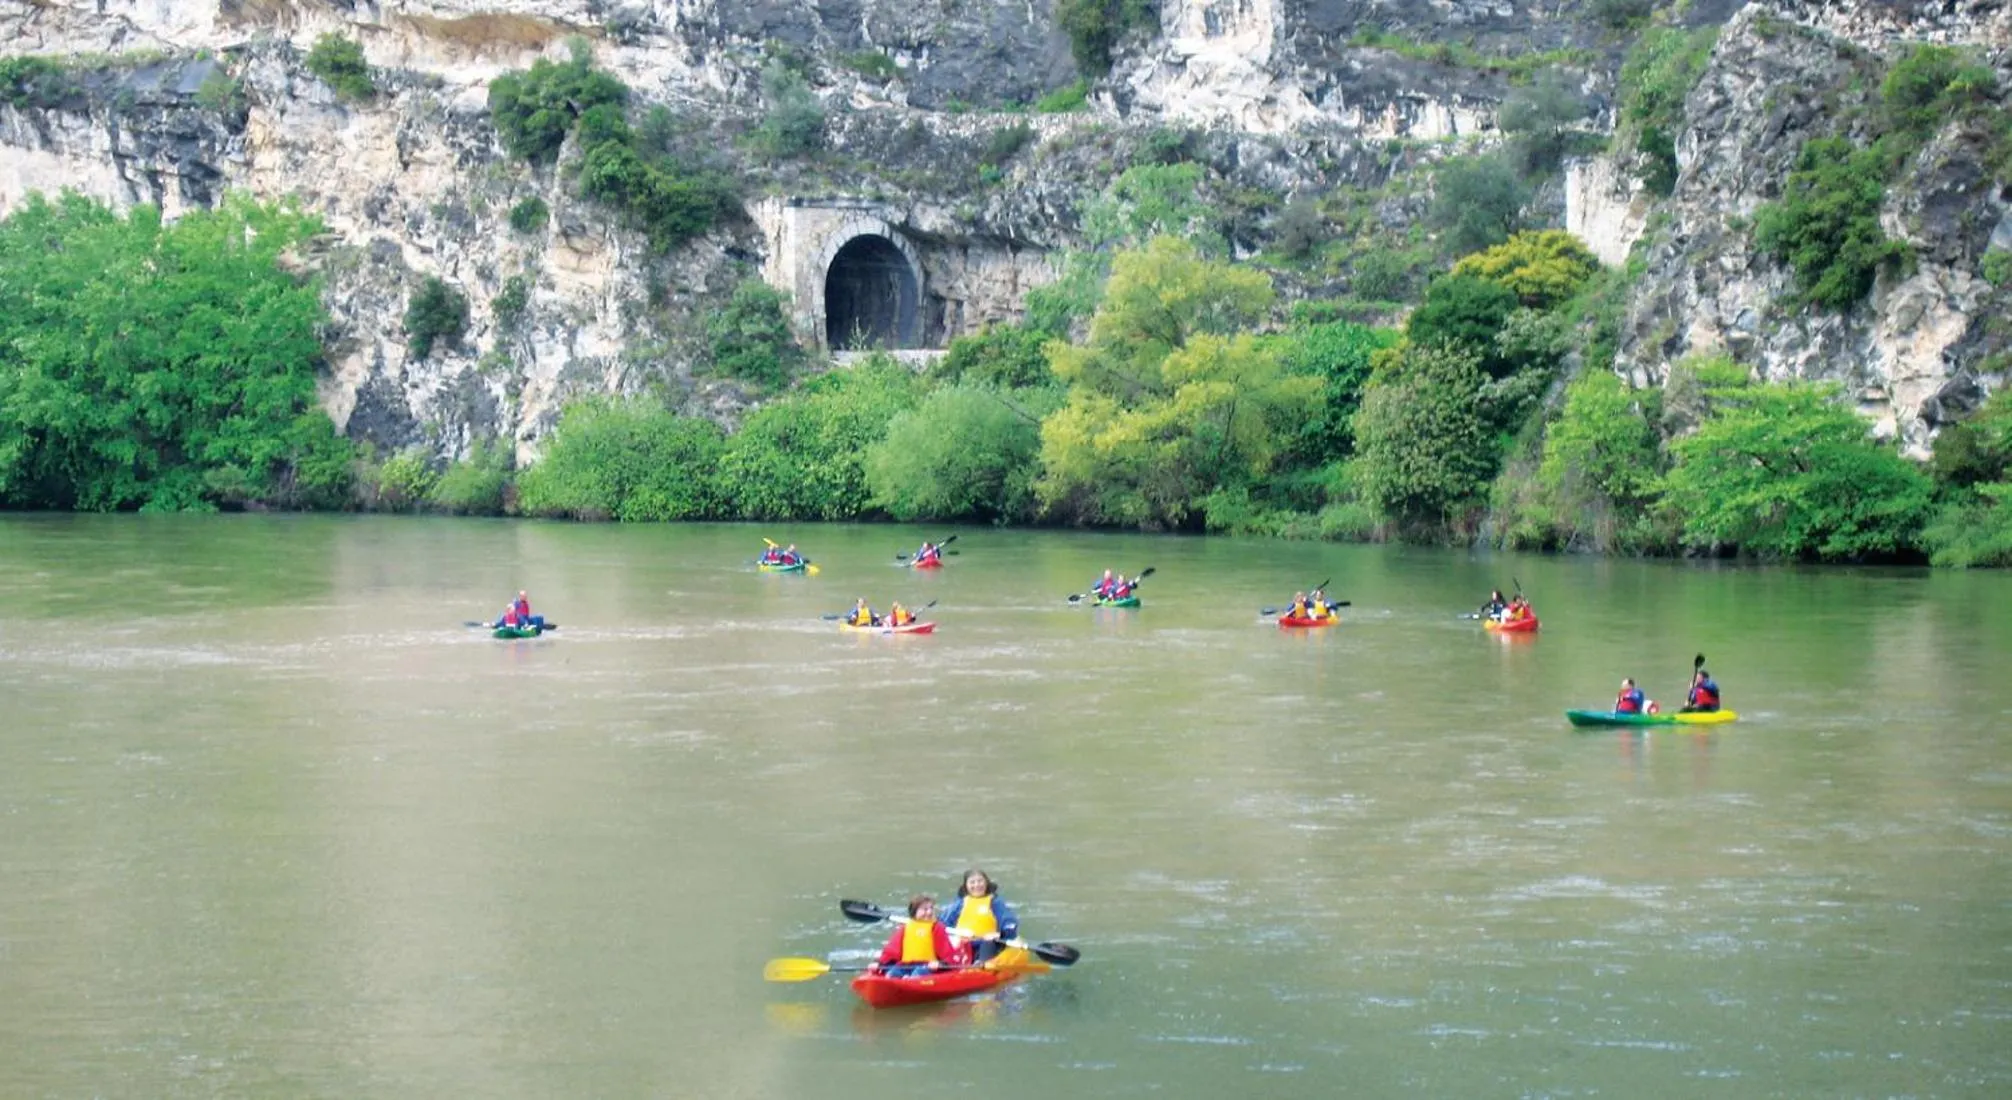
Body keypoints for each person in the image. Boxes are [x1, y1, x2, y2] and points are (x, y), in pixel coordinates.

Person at [940, 869, 1021, 963]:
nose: (977, 885)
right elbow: (942, 924)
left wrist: (1000, 934)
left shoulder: (995, 902)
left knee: (988, 943)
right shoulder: (959, 904)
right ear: (966, 886)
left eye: (980, 881)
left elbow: (1009, 923)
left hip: (988, 943)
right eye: (972, 882)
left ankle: (980, 964)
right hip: (964, 944)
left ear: (986, 883)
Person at [872, 895, 964, 977]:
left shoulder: (936, 927)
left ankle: (909, 982)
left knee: (917, 974)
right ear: (914, 911)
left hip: (927, 965)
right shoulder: (905, 928)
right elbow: (891, 950)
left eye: (931, 908)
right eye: (925, 909)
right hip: (906, 965)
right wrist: (879, 963)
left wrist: (941, 964)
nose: (929, 912)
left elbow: (947, 951)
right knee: (891, 974)